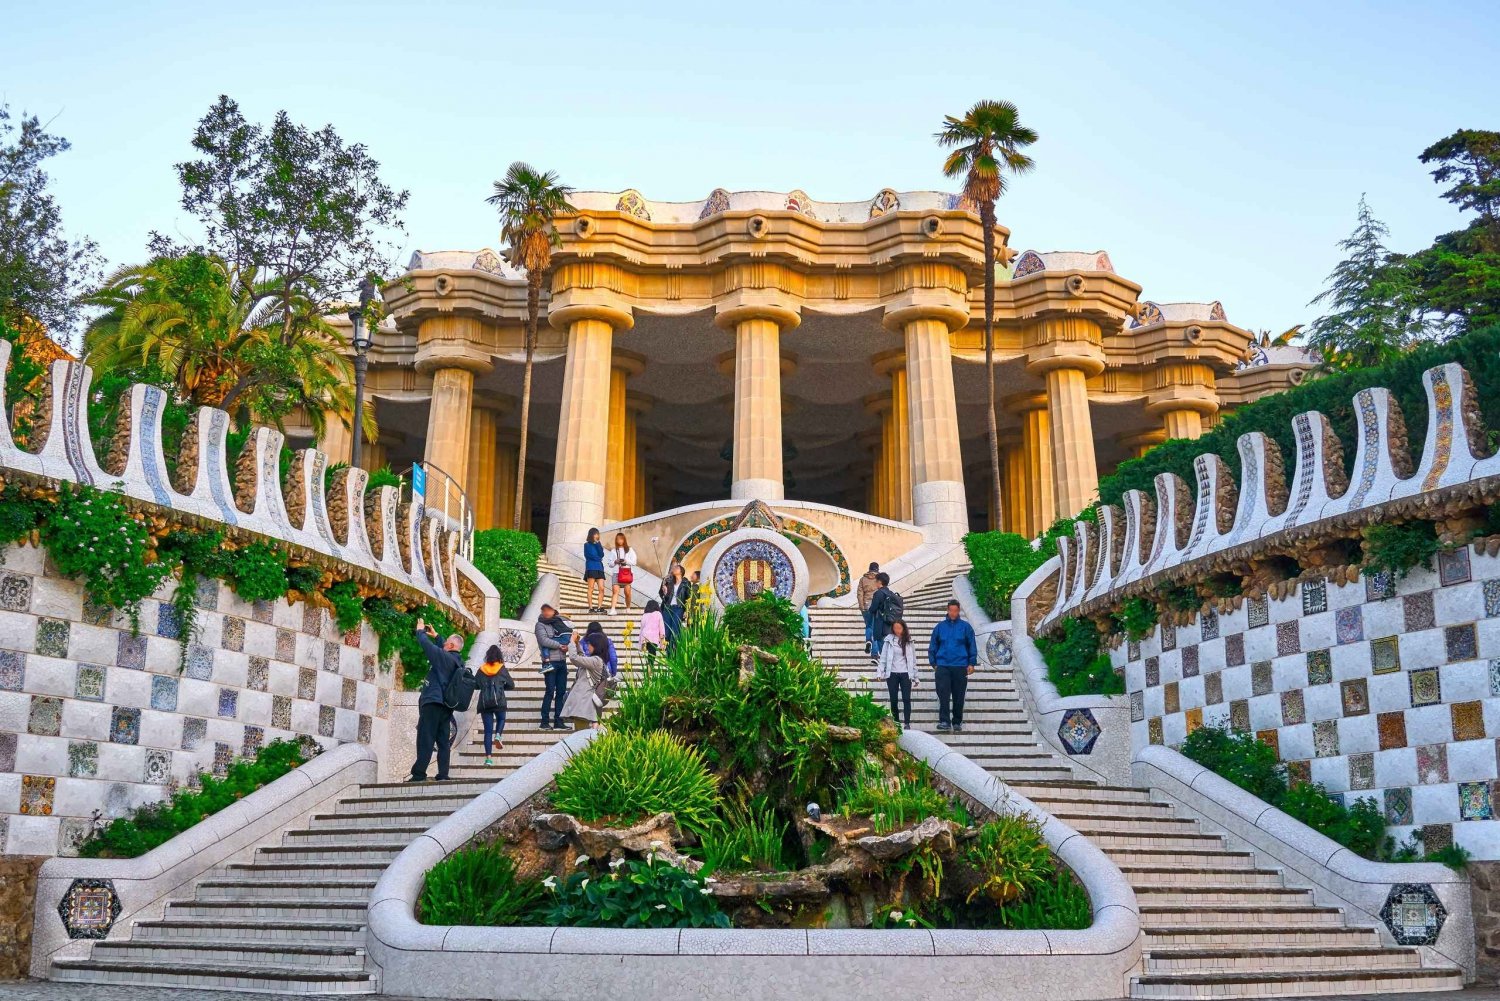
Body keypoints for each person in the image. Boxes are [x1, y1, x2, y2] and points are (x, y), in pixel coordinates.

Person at [407, 617, 464, 782]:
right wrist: (438, 636)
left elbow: (427, 646)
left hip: (432, 702)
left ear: (451, 646)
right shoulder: (458, 662)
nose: (443, 643)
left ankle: (419, 774)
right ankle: (443, 774)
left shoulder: (443, 658)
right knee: (443, 741)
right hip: (446, 706)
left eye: (446, 642)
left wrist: (420, 631)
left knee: (425, 737)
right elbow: (443, 651)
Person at [928, 600, 978, 733]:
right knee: (943, 693)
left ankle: (957, 721)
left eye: (956, 611)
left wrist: (972, 663)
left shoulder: (966, 627)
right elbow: (933, 646)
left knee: (959, 695)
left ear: (959, 610)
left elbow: (971, 645)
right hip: (943, 665)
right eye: (951, 610)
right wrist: (933, 663)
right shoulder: (939, 627)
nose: (953, 613)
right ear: (947, 610)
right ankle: (944, 721)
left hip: (960, 665)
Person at [560, 628, 610, 730]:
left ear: (596, 646)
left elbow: (574, 658)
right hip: (583, 703)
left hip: (584, 703)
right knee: (580, 734)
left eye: (590, 644)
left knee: (580, 736)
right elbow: (581, 657)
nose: (588, 646)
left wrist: (571, 642)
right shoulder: (596, 660)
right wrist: (577, 644)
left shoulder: (596, 661)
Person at [475, 644, 516, 766]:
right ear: (499, 656)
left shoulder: (481, 669)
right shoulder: (501, 668)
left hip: (484, 703)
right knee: (501, 718)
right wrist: (502, 687)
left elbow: (475, 684)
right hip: (499, 701)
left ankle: (488, 759)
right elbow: (511, 685)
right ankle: (498, 735)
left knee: (488, 731)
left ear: (487, 656)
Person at [876, 619, 919, 729]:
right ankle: (896, 722)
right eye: (895, 628)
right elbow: (883, 657)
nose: (897, 630)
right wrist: (880, 672)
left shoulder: (909, 641)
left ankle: (907, 723)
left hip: (906, 673)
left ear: (904, 628)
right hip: (892, 673)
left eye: (899, 628)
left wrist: (915, 677)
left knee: (906, 698)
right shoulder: (888, 640)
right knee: (893, 699)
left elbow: (913, 660)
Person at [534, 604, 571, 730]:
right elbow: (543, 641)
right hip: (550, 662)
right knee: (550, 691)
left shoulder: (557, 622)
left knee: (561, 692)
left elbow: (566, 636)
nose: (547, 612)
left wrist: (567, 646)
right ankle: (544, 722)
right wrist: (560, 645)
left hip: (562, 661)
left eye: (550, 610)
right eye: (545, 610)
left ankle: (558, 721)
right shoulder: (540, 625)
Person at [866, 573, 901, 658]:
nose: (875, 583)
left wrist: (868, 609)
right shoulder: (891, 593)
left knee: (883, 652)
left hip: (881, 626)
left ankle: (887, 670)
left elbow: (873, 609)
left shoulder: (878, 593)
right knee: (889, 651)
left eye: (876, 581)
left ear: (880, 582)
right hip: (890, 626)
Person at [659, 563, 691, 644]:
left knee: (676, 630)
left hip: (679, 608)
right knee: (667, 631)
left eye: (676, 568)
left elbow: (689, 598)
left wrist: (686, 610)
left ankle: (675, 652)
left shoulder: (686, 583)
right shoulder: (668, 581)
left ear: (681, 572)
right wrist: (665, 592)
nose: (674, 568)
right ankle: (668, 653)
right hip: (668, 608)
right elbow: (661, 594)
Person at [607, 533, 637, 612]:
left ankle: (628, 607)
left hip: (626, 573)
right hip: (616, 573)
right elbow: (609, 564)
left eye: (621, 539)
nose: (619, 541)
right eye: (617, 539)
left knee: (627, 592)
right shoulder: (613, 551)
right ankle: (613, 609)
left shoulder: (629, 549)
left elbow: (634, 562)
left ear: (624, 539)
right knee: (615, 591)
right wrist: (615, 561)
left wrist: (626, 561)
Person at [856, 562, 881, 656]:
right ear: (877, 569)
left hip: (866, 606)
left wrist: (861, 606)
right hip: (876, 606)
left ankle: (868, 640)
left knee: (869, 626)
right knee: (875, 629)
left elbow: (859, 594)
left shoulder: (863, 579)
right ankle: (875, 653)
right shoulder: (879, 579)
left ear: (869, 569)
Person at [583, 528, 606, 613]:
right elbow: (588, 555)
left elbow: (602, 554)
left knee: (602, 588)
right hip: (591, 567)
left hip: (599, 568)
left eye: (598, 534)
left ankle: (599, 607)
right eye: (595, 534)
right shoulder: (586, 545)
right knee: (591, 588)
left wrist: (597, 544)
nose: (597, 535)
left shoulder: (598, 544)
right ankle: (591, 608)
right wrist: (598, 558)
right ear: (591, 534)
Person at [640, 599, 665, 667]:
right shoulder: (658, 614)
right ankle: (650, 667)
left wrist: (641, 643)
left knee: (649, 652)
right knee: (652, 653)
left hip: (645, 636)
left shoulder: (644, 615)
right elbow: (661, 628)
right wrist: (662, 643)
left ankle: (649, 666)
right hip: (653, 638)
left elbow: (641, 629)